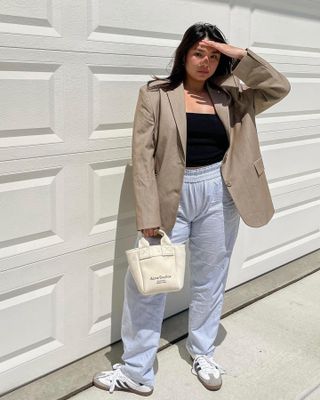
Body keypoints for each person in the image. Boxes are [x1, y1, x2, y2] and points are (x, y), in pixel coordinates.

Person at [92, 22, 291, 396]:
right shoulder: (155, 94)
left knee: (210, 278)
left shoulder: (233, 95)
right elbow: (143, 156)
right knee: (147, 283)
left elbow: (279, 86)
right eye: (199, 52)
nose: (206, 62)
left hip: (219, 192)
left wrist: (239, 56)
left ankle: (202, 351)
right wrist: (148, 217)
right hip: (171, 196)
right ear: (183, 54)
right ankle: (137, 370)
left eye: (214, 55)